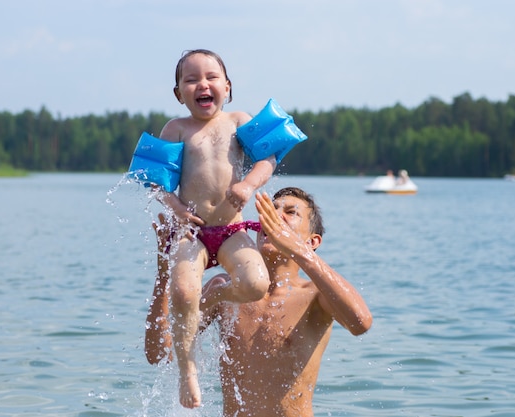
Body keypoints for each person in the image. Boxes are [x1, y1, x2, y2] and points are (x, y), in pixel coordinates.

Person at [145, 187, 373, 416]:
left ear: (312, 241)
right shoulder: (224, 290)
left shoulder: (315, 296)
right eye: (271, 210)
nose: (275, 216)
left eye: (291, 212)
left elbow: (360, 323)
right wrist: (166, 272)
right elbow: (159, 353)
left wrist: (301, 252)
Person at [153, 49, 276, 408]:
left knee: (256, 284)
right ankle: (187, 370)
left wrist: (247, 186)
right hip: (192, 231)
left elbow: (268, 158)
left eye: (210, 77)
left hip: (230, 229)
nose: (201, 84)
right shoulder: (176, 129)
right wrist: (175, 207)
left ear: (227, 86)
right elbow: (159, 182)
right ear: (179, 93)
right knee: (183, 293)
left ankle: (217, 296)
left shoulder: (239, 121)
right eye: (190, 80)